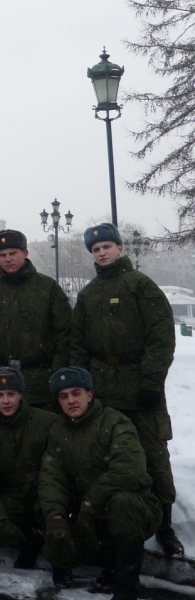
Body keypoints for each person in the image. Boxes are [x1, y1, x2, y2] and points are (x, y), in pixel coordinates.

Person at [71, 222, 183, 557]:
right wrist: (80, 385)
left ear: (119, 248)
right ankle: (110, 523)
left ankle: (165, 525)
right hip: (102, 387)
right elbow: (78, 344)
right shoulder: (88, 294)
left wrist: (151, 382)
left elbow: (161, 338)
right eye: (95, 249)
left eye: (107, 246)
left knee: (152, 454)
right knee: (107, 458)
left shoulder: (140, 286)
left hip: (139, 385)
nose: (102, 253)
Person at [40, 366, 162, 600]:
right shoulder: (57, 431)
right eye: (63, 396)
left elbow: (130, 470)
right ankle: (67, 561)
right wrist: (56, 518)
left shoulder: (116, 422)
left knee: (123, 503)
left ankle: (126, 587)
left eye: (76, 393)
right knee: (46, 505)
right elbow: (52, 478)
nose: (71, 401)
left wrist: (90, 502)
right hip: (90, 515)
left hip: (135, 509)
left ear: (89, 394)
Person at [0, 230, 71, 412]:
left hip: (41, 384)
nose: (8, 259)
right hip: (2, 385)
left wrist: (59, 377)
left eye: (13, 253)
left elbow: (65, 335)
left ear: (25, 253)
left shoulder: (48, 289)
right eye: (2, 255)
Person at [0, 366, 58, 567]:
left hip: (46, 497)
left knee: (61, 528)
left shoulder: (48, 422)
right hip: (14, 499)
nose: (6, 401)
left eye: (11, 394)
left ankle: (60, 560)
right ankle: (29, 538)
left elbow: (61, 468)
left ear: (21, 394)